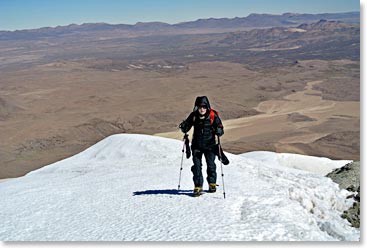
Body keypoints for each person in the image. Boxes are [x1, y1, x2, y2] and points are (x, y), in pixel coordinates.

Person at [179, 96, 224, 197]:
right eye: (200, 107)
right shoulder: (194, 115)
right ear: (196, 107)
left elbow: (220, 127)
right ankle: (198, 186)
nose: (202, 109)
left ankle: (212, 183)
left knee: (211, 165)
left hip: (210, 145)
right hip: (197, 146)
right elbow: (187, 125)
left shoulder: (213, 115)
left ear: (207, 106)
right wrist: (184, 127)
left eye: (204, 106)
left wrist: (219, 131)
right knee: (197, 167)